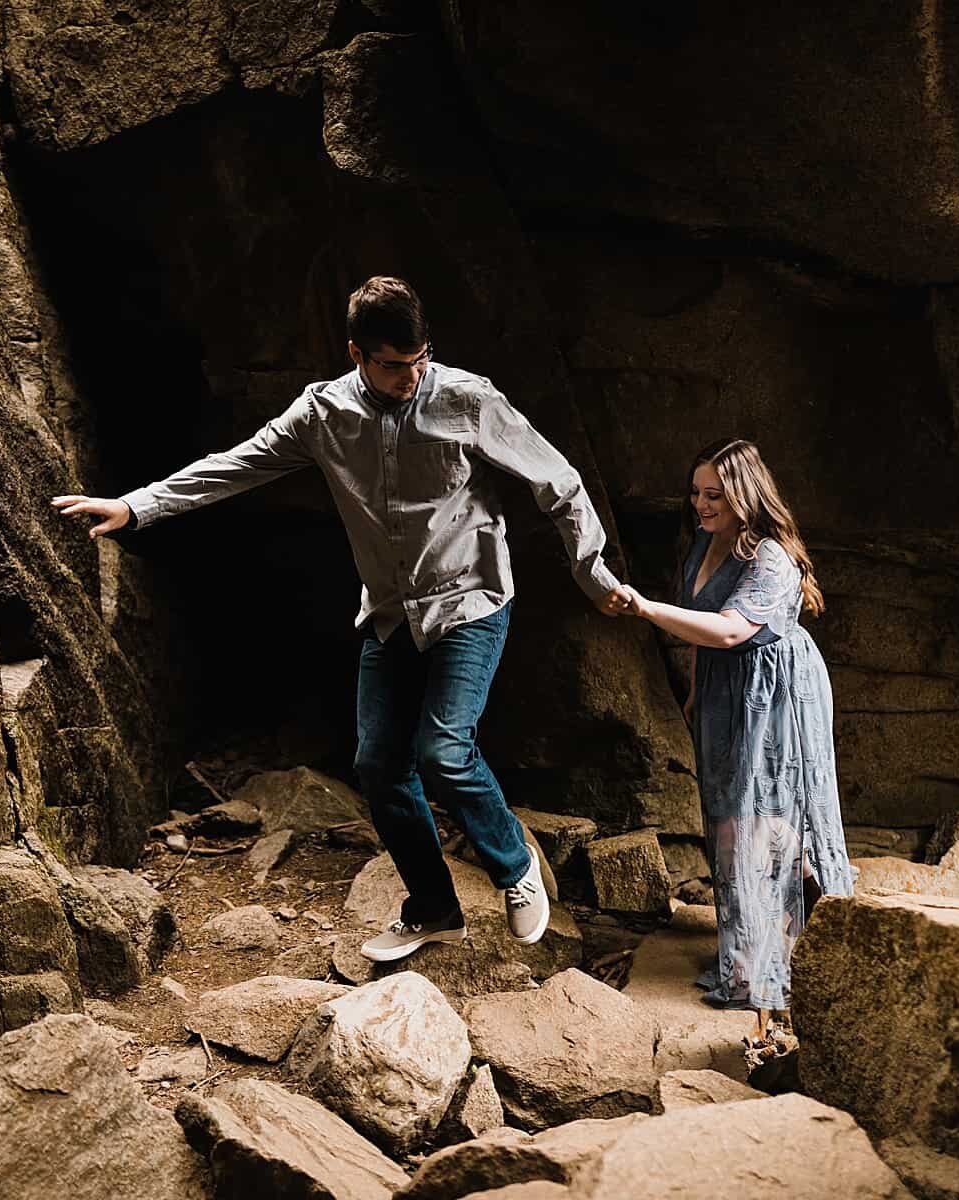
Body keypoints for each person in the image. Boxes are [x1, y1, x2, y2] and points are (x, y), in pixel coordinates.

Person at [52, 276, 632, 963]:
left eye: (420, 359)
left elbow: (558, 481)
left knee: (443, 751)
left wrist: (592, 571)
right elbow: (234, 466)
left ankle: (515, 869)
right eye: (393, 364)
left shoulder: (467, 399)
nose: (411, 377)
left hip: (470, 600)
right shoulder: (320, 416)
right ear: (356, 352)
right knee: (378, 766)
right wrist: (136, 505)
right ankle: (434, 909)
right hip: (391, 614)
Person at [614, 437, 855, 1044]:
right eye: (696, 493)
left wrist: (644, 608)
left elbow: (727, 630)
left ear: (746, 494)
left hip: (775, 690)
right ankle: (756, 944)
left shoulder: (770, 556)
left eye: (714, 495)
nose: (701, 504)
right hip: (725, 688)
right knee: (729, 814)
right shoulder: (704, 541)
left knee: (770, 818)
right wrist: (698, 689)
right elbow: (708, 634)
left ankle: (800, 946)